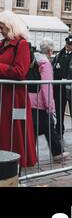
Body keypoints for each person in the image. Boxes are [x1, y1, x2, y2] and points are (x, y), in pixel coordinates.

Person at [0, 12, 37, 168]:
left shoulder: (22, 45)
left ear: (11, 26)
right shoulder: (2, 45)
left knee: (15, 131)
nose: (0, 30)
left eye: (2, 27)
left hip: (15, 96)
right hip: (3, 94)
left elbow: (20, 71)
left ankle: (16, 165)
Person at [31, 40, 63, 160]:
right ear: (50, 51)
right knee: (48, 126)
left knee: (33, 129)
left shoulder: (33, 60)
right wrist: (50, 106)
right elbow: (46, 87)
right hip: (40, 102)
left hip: (29, 101)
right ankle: (58, 153)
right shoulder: (45, 64)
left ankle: (31, 155)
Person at [52, 36, 72, 144]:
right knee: (59, 112)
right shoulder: (58, 55)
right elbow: (53, 70)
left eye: (71, 45)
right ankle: (59, 131)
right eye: (68, 44)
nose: (69, 46)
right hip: (59, 88)